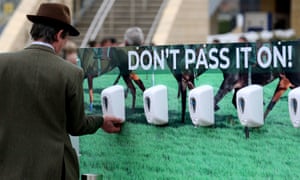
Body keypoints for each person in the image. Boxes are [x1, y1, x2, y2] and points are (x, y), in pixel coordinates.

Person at [0, 3, 122, 180]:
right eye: (65, 39)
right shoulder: (71, 73)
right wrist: (101, 121)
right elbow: (77, 126)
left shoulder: (2, 64)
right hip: (53, 170)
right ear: (59, 35)